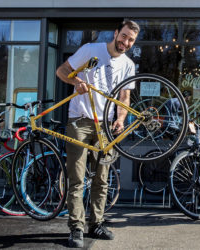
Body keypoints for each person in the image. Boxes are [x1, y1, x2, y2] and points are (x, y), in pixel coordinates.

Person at [56, 19, 140, 248]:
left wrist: (121, 120)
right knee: (77, 178)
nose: (126, 42)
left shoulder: (128, 65)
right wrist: (75, 81)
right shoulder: (90, 50)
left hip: (105, 126)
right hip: (80, 122)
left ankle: (96, 223)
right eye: (123, 36)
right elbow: (61, 71)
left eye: (131, 40)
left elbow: (124, 98)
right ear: (115, 33)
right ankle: (76, 228)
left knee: (102, 179)